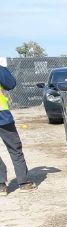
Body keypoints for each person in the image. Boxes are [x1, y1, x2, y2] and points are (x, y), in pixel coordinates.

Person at [0, 59, 37, 195]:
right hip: (2, 117)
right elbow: (10, 83)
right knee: (15, 149)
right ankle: (24, 182)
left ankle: (1, 186)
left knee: (14, 148)